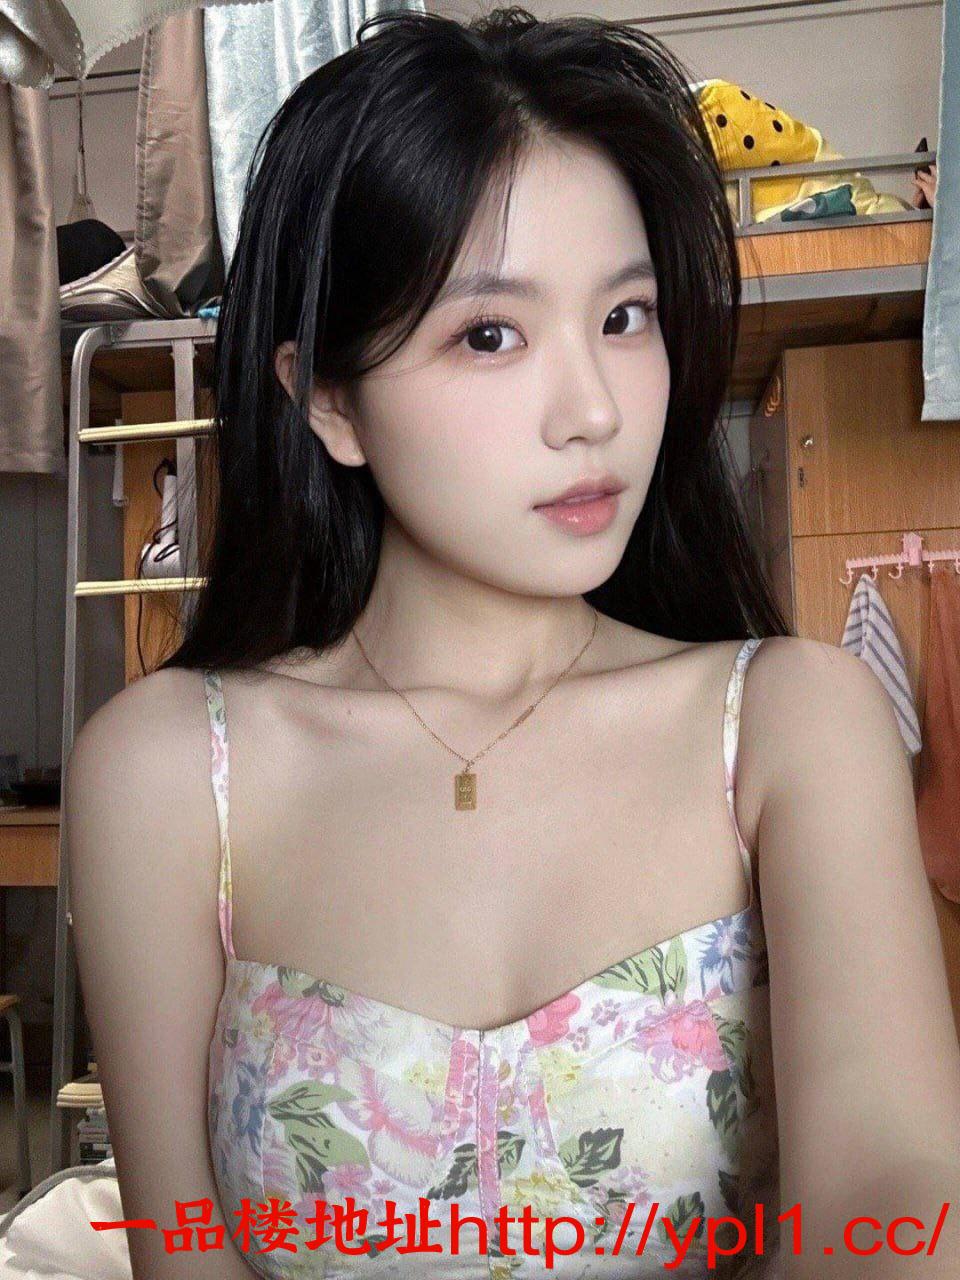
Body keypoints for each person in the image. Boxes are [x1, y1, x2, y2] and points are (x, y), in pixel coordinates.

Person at [64, 8, 960, 1279]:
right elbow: (184, 1253)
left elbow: (894, 1191)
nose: (592, 410)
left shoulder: (791, 726)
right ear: (328, 397)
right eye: (490, 334)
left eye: (626, 316)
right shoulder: (166, 772)